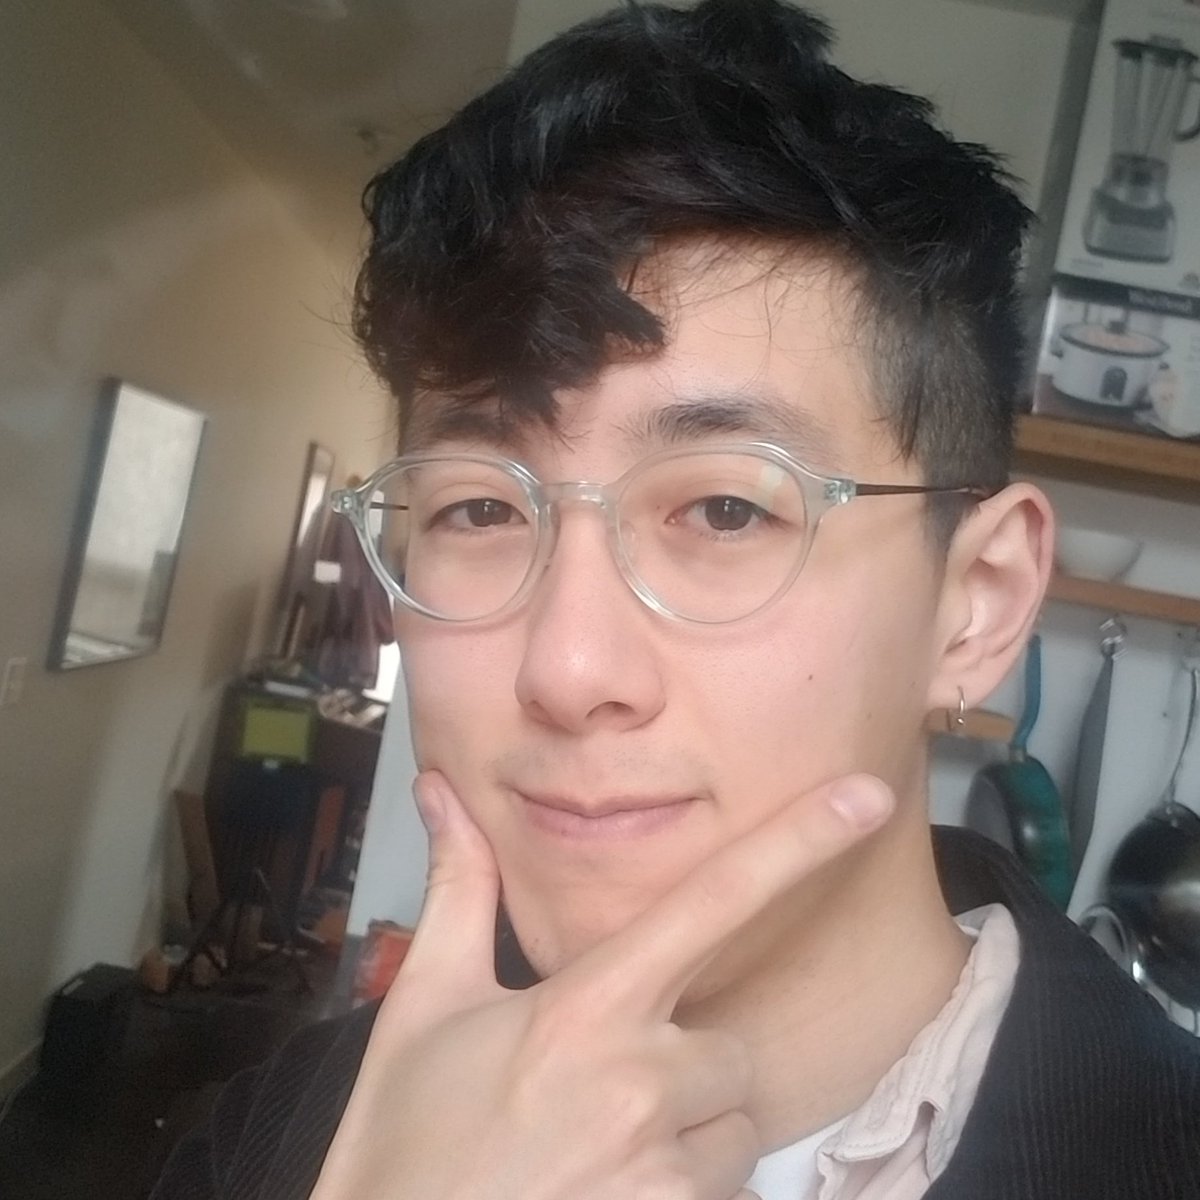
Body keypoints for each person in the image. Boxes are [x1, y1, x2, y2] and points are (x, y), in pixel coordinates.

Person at [153, 2, 1200, 1197]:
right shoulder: (287, 1136)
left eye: (726, 509)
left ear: (978, 603)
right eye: (479, 509)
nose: (567, 671)